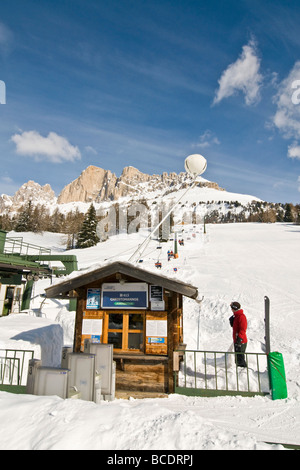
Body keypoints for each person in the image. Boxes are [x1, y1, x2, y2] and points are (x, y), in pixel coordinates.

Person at [229, 301, 248, 367]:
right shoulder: (236, 316)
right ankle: (240, 373)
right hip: (237, 340)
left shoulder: (241, 317)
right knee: (238, 358)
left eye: (232, 308)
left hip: (241, 341)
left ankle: (244, 373)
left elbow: (243, 329)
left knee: (240, 359)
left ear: (234, 308)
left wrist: (239, 339)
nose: (231, 309)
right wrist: (232, 323)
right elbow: (236, 328)